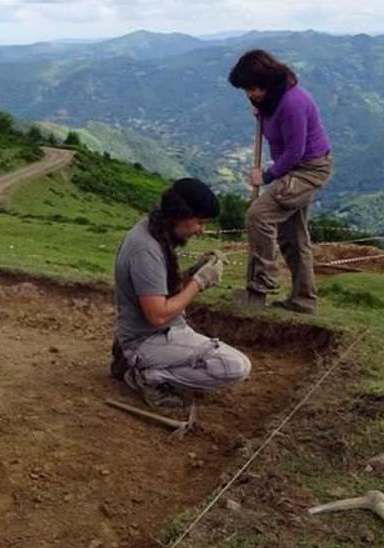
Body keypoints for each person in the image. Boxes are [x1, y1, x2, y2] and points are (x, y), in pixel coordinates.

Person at [110, 179, 252, 409]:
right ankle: (148, 375)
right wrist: (199, 282)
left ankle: (142, 365)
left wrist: (194, 270)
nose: (201, 229)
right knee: (235, 366)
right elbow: (157, 315)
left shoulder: (154, 232)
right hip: (148, 338)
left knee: (222, 361)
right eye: (200, 221)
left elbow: (160, 289)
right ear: (181, 215)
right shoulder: (145, 250)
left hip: (162, 332)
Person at [229, 49, 334, 314]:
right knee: (293, 238)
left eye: (253, 88)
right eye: (246, 90)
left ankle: (263, 282)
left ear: (267, 80)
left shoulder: (292, 102)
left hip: (307, 170)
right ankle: (304, 300)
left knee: (258, 216)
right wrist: (261, 111)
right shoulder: (272, 100)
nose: (250, 94)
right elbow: (273, 122)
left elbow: (295, 151)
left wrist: (265, 176)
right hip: (295, 169)